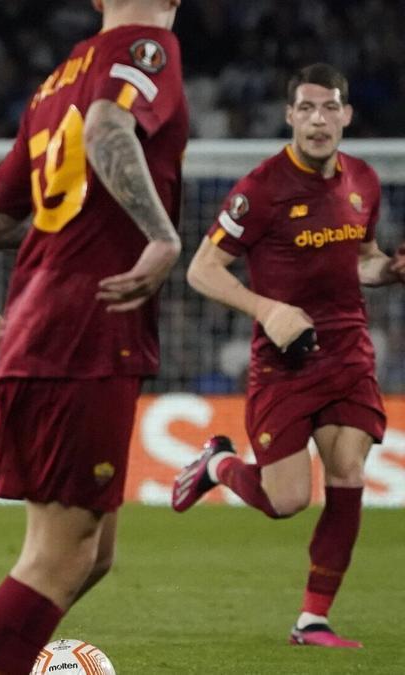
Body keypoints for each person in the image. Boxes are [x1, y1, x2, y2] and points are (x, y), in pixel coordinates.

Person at [0, 1, 186, 672]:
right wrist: (161, 233)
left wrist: (71, 233)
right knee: (59, 555)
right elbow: (109, 123)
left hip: (38, 324)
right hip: (86, 330)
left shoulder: (57, 78)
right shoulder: (147, 49)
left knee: (91, 551)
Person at [173, 63, 397, 649]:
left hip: (347, 349)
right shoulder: (261, 189)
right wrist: (267, 309)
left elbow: (364, 259)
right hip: (285, 362)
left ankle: (313, 619)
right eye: (306, 108)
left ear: (346, 114)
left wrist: (390, 269)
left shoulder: (364, 182)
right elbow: (202, 270)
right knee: (288, 500)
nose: (318, 120)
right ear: (289, 115)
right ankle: (217, 465)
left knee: (348, 473)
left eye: (329, 108)